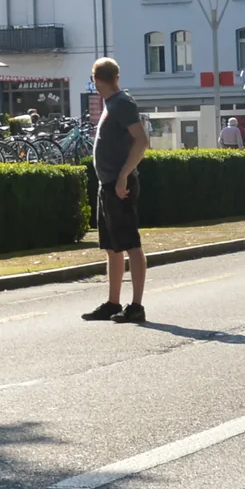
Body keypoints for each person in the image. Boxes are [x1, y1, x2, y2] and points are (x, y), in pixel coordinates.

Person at [82, 57, 148, 324]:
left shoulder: (122, 103)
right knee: (112, 247)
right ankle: (113, 302)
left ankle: (136, 306)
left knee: (131, 243)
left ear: (97, 80)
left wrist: (123, 176)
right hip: (108, 184)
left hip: (120, 184)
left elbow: (142, 141)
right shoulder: (112, 103)